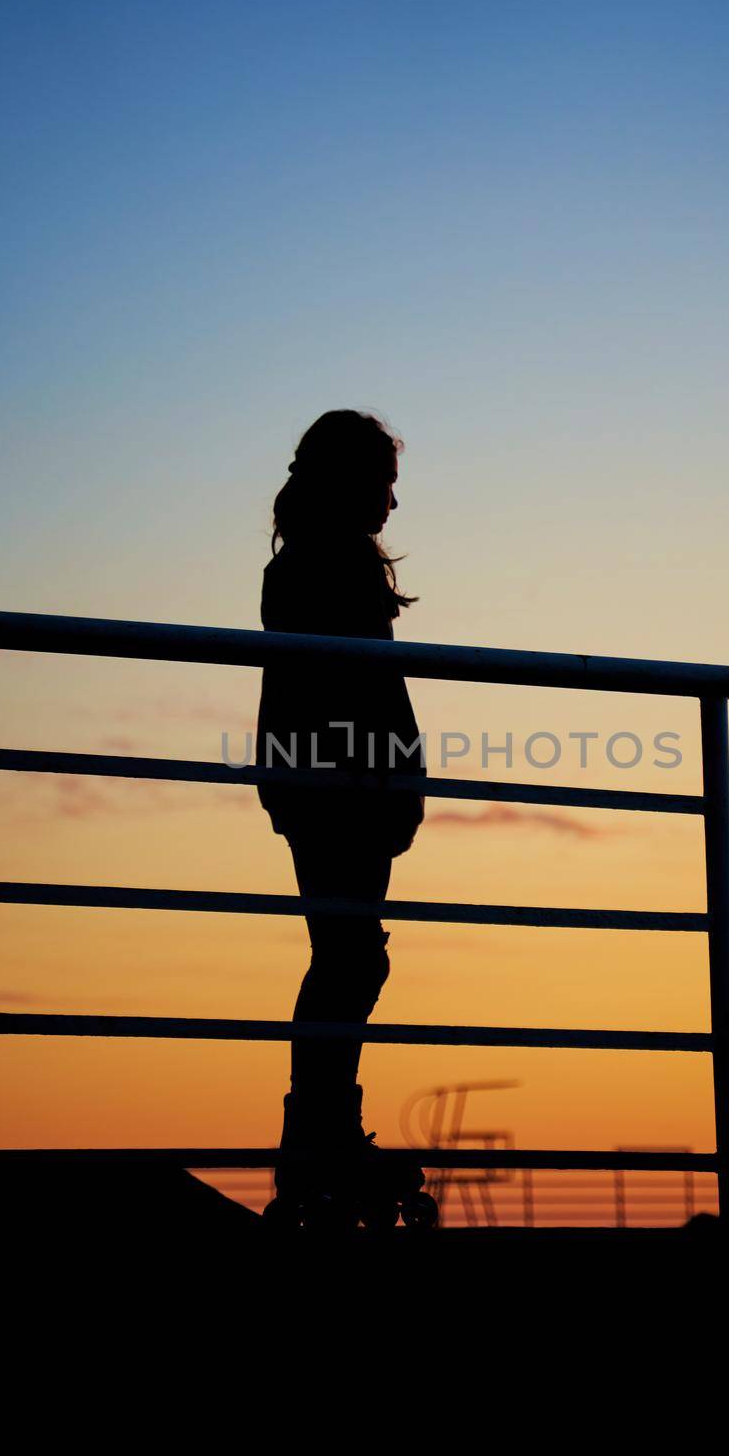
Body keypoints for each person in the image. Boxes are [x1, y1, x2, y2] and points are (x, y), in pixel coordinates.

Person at [255, 409, 430, 1227]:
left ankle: (319, 1141)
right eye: (385, 485)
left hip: (317, 782)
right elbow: (373, 686)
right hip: (345, 785)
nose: (392, 503)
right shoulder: (337, 564)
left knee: (347, 957)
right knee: (350, 960)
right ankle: (317, 1148)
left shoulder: (294, 564)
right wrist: (402, 777)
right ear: (352, 480)